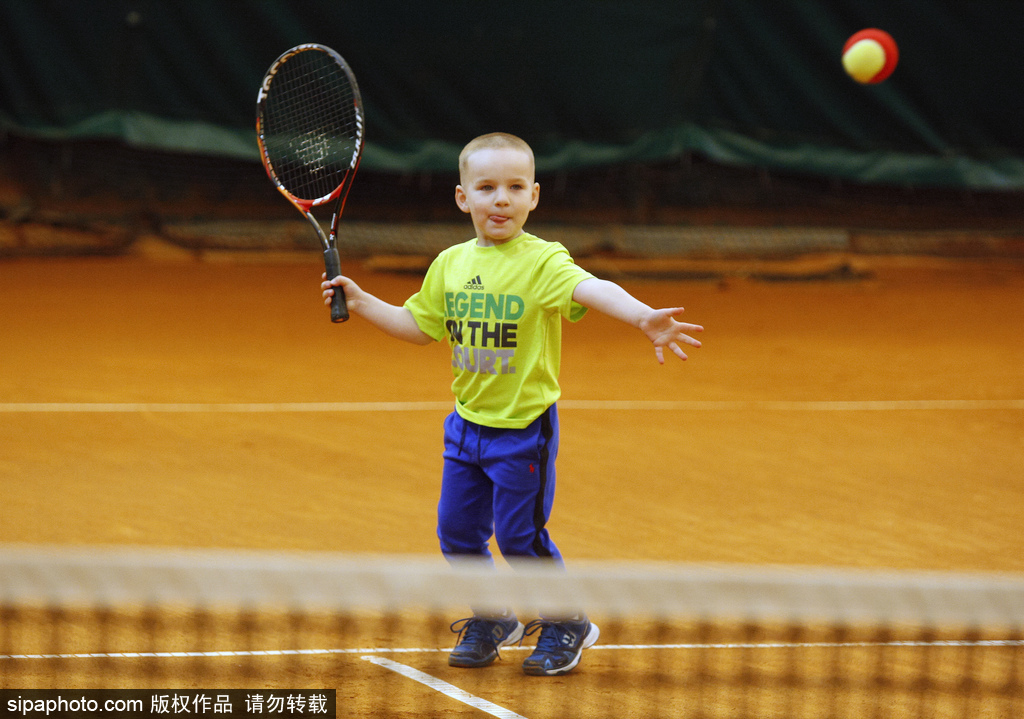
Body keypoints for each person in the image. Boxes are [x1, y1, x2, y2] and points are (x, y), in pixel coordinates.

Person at [322, 132, 703, 676]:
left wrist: (641, 315)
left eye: (514, 187)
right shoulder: (450, 265)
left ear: (534, 197)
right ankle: (494, 616)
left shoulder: (544, 261)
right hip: (466, 427)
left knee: (520, 536)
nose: (501, 198)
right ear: (463, 198)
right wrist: (361, 301)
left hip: (524, 429)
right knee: (456, 532)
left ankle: (567, 621)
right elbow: (417, 326)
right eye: (487, 187)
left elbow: (593, 288)